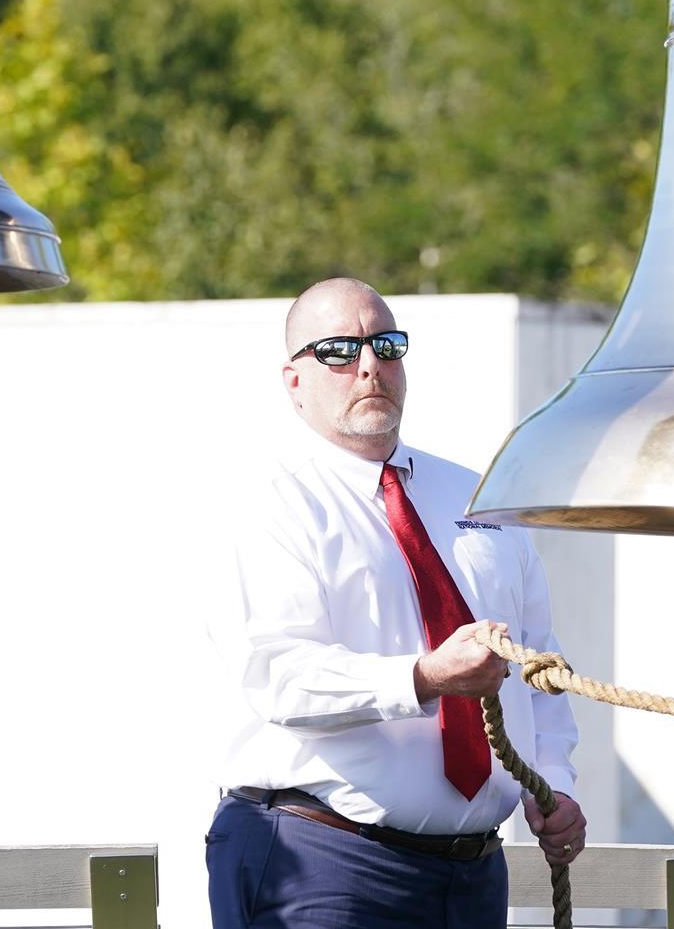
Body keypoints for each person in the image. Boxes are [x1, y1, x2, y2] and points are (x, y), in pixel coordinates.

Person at [207, 277, 585, 927]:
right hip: (322, 862)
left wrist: (554, 782)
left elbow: (539, 668)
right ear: (293, 379)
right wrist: (425, 677)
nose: (368, 366)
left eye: (386, 344)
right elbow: (280, 679)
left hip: (472, 875)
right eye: (338, 350)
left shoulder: (478, 499)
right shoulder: (271, 504)